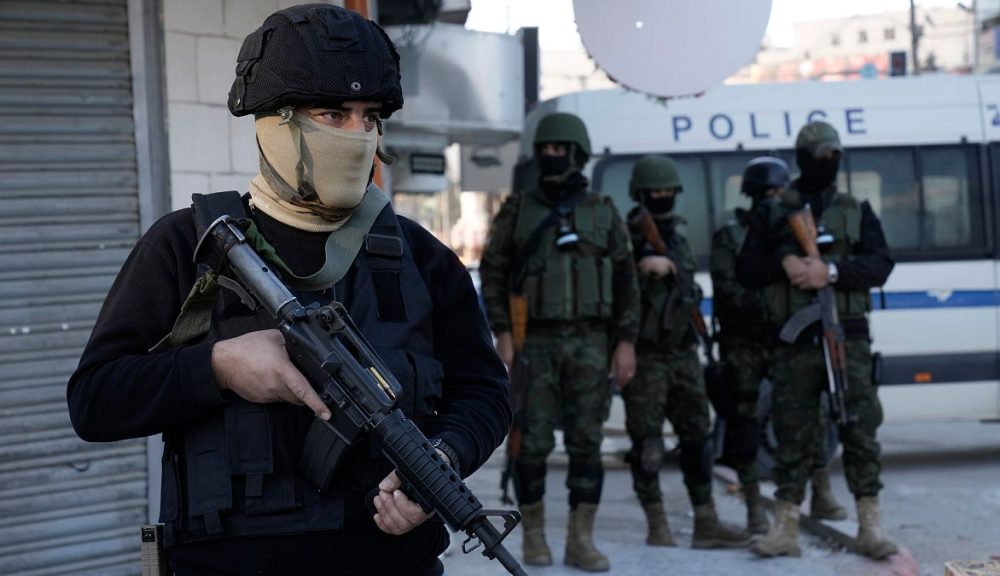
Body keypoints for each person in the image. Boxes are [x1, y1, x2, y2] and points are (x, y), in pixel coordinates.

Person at [66, 5, 511, 576]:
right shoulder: (187, 246)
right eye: (332, 113)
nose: (357, 136)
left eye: (370, 117)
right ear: (274, 124)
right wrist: (218, 366)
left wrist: (441, 463)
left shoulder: (419, 256)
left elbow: (486, 394)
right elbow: (95, 401)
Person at [479, 112, 639, 572]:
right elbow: (493, 271)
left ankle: (580, 539)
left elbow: (627, 281)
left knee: (587, 443)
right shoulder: (518, 209)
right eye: (545, 150)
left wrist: (625, 342)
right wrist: (504, 334)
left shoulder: (604, 212)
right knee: (530, 443)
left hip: (592, 341)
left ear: (576, 154)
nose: (551, 157)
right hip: (535, 344)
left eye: (559, 150)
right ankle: (532, 535)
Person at [737, 121, 898, 559]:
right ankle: (784, 527)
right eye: (820, 156)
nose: (827, 164)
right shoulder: (773, 213)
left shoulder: (856, 210)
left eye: (834, 157)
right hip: (795, 341)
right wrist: (785, 260)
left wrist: (828, 272)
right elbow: (745, 269)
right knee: (792, 433)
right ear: (803, 159)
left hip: (847, 336)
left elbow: (881, 264)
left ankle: (870, 524)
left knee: (860, 428)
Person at [709, 157, 848, 536]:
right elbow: (729, 289)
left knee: (811, 414)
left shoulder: (792, 228)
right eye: (766, 194)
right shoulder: (732, 235)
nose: (773, 199)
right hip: (745, 345)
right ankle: (755, 506)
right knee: (746, 425)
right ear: (752, 196)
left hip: (788, 338)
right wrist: (773, 291)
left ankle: (820, 490)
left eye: (777, 193)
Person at [622, 155, 750, 550]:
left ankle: (706, 522)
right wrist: (641, 265)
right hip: (646, 357)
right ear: (640, 196)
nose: (662, 198)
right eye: (654, 193)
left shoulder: (677, 238)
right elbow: (615, 291)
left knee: (697, 439)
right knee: (646, 445)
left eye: (667, 192)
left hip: (682, 354)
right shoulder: (625, 239)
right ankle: (657, 524)